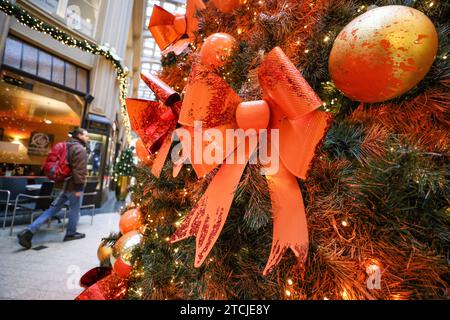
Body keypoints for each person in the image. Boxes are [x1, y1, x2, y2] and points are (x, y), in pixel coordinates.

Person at [17, 128, 90, 249]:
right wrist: (79, 188)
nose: (87, 138)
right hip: (74, 187)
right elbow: (79, 171)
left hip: (62, 186)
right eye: (86, 135)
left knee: (52, 209)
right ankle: (70, 233)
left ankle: (29, 231)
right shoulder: (79, 149)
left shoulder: (65, 145)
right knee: (75, 211)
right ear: (80, 135)